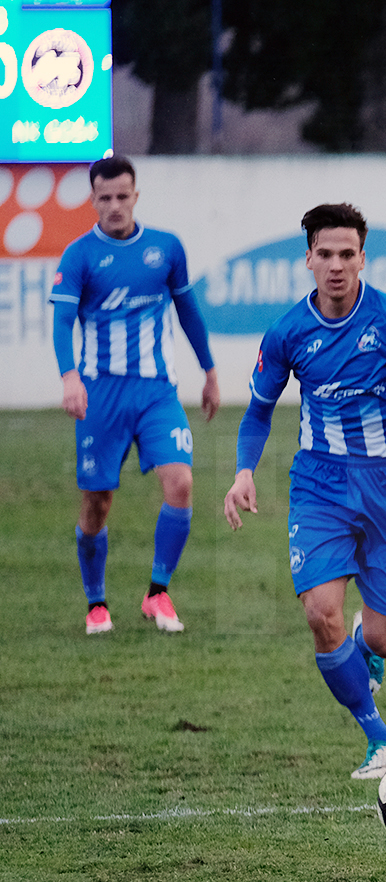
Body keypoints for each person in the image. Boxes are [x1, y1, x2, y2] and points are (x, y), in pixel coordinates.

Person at [223, 203, 386, 779]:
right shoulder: (286, 332)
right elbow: (257, 412)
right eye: (324, 254)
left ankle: (366, 645)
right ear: (307, 258)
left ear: (362, 258)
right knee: (320, 613)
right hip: (319, 485)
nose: (335, 265)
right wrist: (244, 470)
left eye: (346, 254)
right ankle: (379, 739)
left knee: (385, 638)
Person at [51, 154, 220, 636]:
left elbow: (189, 313)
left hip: (156, 393)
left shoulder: (166, 248)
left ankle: (158, 593)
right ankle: (96, 602)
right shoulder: (80, 255)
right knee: (96, 504)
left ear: (136, 196)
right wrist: (70, 377)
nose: (115, 206)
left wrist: (209, 371)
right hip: (100, 394)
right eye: (105, 198)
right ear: (93, 201)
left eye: (123, 196)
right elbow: (63, 321)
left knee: (181, 483)